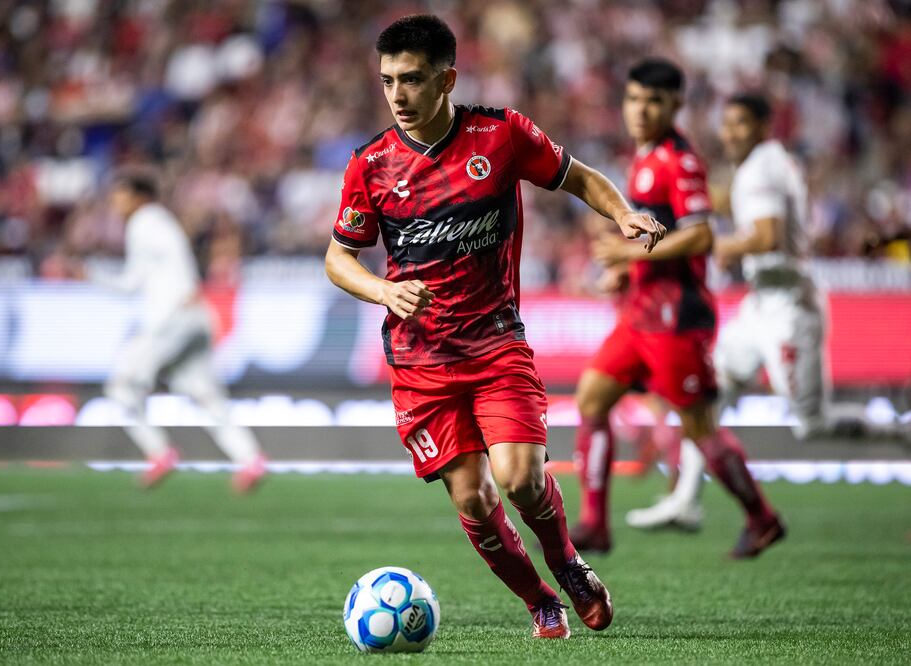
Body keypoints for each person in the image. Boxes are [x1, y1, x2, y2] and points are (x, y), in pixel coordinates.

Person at [325, 14, 666, 639]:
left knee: (520, 479)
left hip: (495, 344)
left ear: (447, 79)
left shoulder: (501, 134)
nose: (398, 95)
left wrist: (622, 214)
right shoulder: (370, 164)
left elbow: (578, 176)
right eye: (388, 81)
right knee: (474, 499)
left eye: (412, 79)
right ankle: (540, 600)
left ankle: (567, 562)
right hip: (420, 361)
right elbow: (338, 258)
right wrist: (383, 290)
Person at [626, 92, 908, 531]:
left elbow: (766, 236)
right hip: (761, 303)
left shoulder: (762, 168)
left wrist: (715, 245)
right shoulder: (765, 164)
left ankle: (901, 433)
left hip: (789, 308)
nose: (729, 133)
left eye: (739, 124)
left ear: (763, 126)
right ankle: (685, 502)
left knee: (813, 424)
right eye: (726, 124)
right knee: (707, 396)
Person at [571, 59, 785, 559]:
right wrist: (626, 272)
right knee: (592, 398)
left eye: (654, 102)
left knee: (700, 427)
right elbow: (657, 234)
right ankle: (594, 523)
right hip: (640, 313)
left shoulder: (680, 161)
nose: (641, 110)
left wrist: (628, 254)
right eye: (634, 99)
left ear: (675, 106)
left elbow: (702, 235)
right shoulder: (643, 157)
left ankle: (763, 518)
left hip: (676, 318)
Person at [86, 169, 266, 492]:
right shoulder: (160, 221)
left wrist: (184, 292)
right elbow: (141, 277)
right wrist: (91, 276)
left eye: (121, 195)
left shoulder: (145, 221)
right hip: (196, 316)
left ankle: (158, 451)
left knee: (121, 386)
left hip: (172, 318)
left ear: (140, 196)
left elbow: (145, 275)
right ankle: (250, 458)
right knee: (205, 395)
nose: (115, 203)